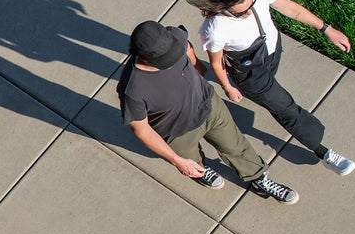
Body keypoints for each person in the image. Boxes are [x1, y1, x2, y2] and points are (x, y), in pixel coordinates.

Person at [190, 0, 355, 175]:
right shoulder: (215, 29)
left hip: (271, 51)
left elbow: (293, 10)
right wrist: (228, 86)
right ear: (222, 7)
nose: (249, 13)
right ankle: (323, 152)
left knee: (276, 98)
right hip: (250, 74)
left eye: (251, 6)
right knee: (285, 107)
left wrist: (326, 29)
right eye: (240, 13)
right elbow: (216, 63)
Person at [119, 20, 299, 204]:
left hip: (208, 105)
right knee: (192, 161)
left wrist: (197, 65)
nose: (172, 59)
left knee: (237, 146)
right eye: (165, 59)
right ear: (142, 56)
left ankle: (258, 178)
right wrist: (178, 161)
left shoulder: (173, 36)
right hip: (177, 132)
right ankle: (200, 170)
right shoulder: (132, 89)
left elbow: (186, 46)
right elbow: (142, 130)